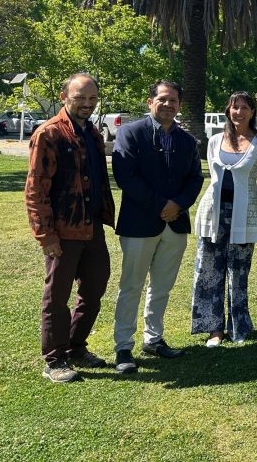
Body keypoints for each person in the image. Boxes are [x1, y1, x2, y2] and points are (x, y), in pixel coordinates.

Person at [25, 74, 115, 382]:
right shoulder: (48, 134)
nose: (87, 104)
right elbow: (35, 190)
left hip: (92, 229)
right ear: (65, 96)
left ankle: (76, 346)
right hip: (62, 231)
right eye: (80, 98)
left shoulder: (92, 132)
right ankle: (54, 359)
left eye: (92, 99)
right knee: (57, 296)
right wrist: (46, 235)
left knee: (95, 288)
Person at [111, 80, 203, 374]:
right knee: (131, 286)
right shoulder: (130, 133)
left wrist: (178, 204)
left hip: (175, 226)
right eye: (162, 99)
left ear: (179, 105)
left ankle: (154, 339)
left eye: (173, 101)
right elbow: (125, 175)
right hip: (139, 223)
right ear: (150, 101)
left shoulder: (187, 141)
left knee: (161, 287)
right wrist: (159, 205)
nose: (168, 105)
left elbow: (195, 179)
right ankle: (123, 346)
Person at [191, 92, 257, 347]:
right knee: (208, 272)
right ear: (228, 110)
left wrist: (251, 197)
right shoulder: (215, 141)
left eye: (245, 107)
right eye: (235, 107)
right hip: (212, 213)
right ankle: (213, 329)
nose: (239, 112)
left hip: (243, 216)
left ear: (252, 111)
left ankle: (238, 326)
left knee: (238, 273)